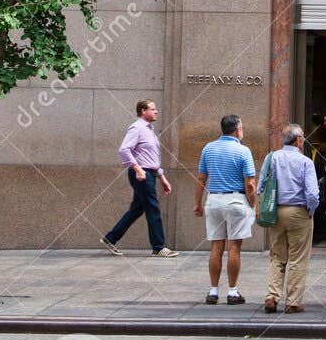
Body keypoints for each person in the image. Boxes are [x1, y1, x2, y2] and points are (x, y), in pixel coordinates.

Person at [192, 115, 257, 305]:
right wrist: (253, 204)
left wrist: (197, 203)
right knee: (234, 247)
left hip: (213, 200)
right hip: (236, 200)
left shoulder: (208, 148)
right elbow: (250, 184)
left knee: (216, 247)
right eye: (242, 128)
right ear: (237, 130)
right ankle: (233, 291)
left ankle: (213, 291)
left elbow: (201, 179)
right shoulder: (243, 151)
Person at [102, 98, 177, 258]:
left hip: (149, 173)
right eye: (153, 109)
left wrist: (162, 178)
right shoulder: (137, 128)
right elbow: (124, 150)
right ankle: (158, 247)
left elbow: (151, 158)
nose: (156, 111)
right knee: (153, 208)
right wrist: (137, 169)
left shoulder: (149, 130)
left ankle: (110, 238)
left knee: (137, 209)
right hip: (141, 175)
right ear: (143, 111)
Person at [264, 123, 319, 314]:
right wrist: (310, 211)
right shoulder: (306, 162)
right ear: (298, 140)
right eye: (303, 136)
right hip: (299, 212)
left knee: (277, 256)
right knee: (298, 258)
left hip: (276, 211)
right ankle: (293, 301)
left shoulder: (271, 158)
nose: (303, 139)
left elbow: (262, 184)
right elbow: (312, 194)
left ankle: (272, 296)